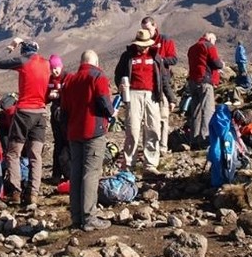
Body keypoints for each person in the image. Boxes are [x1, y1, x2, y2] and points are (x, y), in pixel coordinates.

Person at [0, 38, 51, 206]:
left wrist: (11, 45)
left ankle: (16, 192)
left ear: (23, 50)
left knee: (13, 153)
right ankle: (33, 193)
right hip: (40, 114)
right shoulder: (46, 64)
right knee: (35, 155)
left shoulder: (24, 60)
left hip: (24, 112)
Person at [61, 50, 115, 231]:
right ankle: (89, 216)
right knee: (91, 173)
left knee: (76, 173)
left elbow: (64, 110)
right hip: (93, 132)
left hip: (74, 132)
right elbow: (104, 103)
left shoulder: (70, 80)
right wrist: (111, 112)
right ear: (96, 61)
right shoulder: (97, 76)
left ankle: (77, 216)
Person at [114, 29, 164, 173]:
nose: (143, 48)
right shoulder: (128, 56)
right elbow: (118, 75)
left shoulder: (155, 56)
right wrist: (121, 87)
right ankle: (129, 164)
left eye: (145, 45)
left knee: (153, 129)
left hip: (151, 95)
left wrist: (169, 96)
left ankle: (151, 164)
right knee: (133, 131)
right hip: (133, 94)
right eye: (141, 45)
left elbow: (162, 77)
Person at [141, 16, 178, 154]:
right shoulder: (141, 42)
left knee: (163, 115)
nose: (146, 32)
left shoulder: (165, 40)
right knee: (148, 118)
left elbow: (174, 59)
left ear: (155, 26)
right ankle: (148, 146)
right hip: (147, 83)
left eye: (148, 29)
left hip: (162, 81)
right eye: (143, 29)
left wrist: (160, 60)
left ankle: (162, 146)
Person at [186, 32, 224, 149]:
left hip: (193, 81)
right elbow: (216, 63)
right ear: (211, 38)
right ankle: (205, 138)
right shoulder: (208, 46)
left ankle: (194, 140)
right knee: (208, 109)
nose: (214, 43)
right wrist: (221, 64)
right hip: (205, 81)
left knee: (196, 111)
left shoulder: (192, 48)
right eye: (214, 41)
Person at [47, 54, 70, 182]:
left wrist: (60, 94)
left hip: (66, 113)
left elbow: (71, 92)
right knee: (58, 143)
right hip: (55, 114)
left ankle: (68, 173)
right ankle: (56, 174)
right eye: (52, 68)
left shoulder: (67, 77)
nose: (55, 70)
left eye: (56, 67)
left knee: (68, 142)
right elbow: (45, 97)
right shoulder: (49, 80)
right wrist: (49, 96)